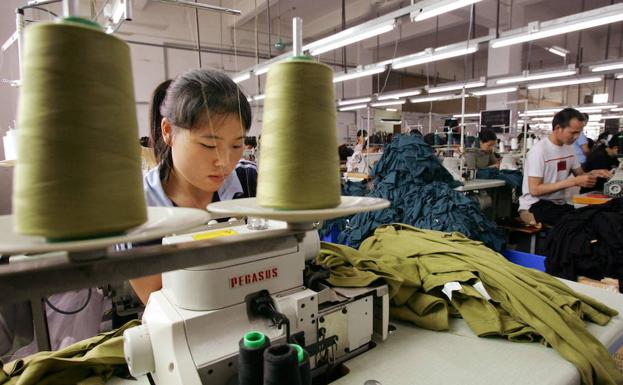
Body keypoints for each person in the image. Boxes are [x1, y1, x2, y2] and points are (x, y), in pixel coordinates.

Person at [131, 69, 256, 304]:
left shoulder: (250, 181)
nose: (225, 162)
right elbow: (158, 302)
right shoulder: (140, 207)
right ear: (168, 131)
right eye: (209, 145)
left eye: (237, 145)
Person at [518, 108, 611, 226]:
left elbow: (580, 175)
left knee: (598, 215)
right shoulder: (539, 151)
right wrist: (573, 182)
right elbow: (535, 190)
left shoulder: (569, 148)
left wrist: (594, 173)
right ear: (558, 128)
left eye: (579, 132)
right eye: (573, 132)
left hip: (558, 203)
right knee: (581, 223)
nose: (577, 137)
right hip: (535, 204)